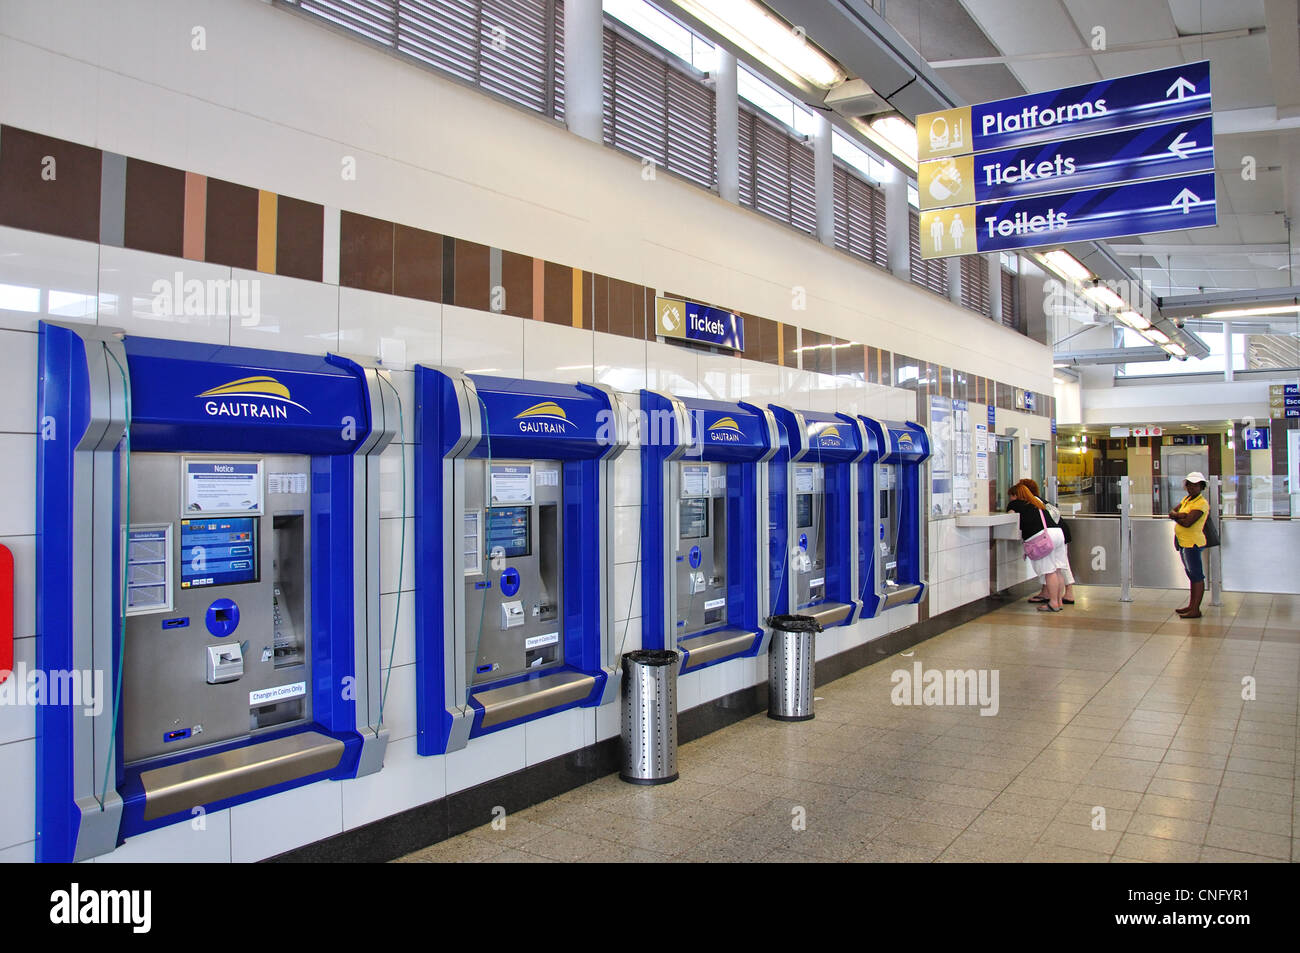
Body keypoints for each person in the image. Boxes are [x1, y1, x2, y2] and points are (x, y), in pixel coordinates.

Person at [1006, 483, 1068, 611]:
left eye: (1010, 496)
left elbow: (1010, 517)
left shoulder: (1015, 504)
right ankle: (1059, 601)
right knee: (1057, 570)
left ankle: (1053, 603)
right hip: (1057, 533)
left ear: (1015, 495)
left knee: (1049, 572)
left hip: (1043, 537)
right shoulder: (1037, 503)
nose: (1010, 499)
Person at [1017, 478, 1076, 605]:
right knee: (1058, 566)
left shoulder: (1032, 503)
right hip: (1059, 532)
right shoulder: (1039, 500)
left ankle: (1066, 593)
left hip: (1052, 534)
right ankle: (1050, 593)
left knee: (1057, 566)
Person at [1169, 471, 1210, 619]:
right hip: (1183, 542)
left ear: (1201, 486)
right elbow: (1172, 512)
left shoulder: (1201, 503)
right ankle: (1192, 605)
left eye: (1195, 485)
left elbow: (1188, 523)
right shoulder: (1187, 500)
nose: (1192, 488)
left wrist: (1178, 516)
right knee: (1191, 575)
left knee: (1196, 575)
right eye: (1189, 485)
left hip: (1192, 543)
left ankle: (1195, 609)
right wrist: (1180, 515)